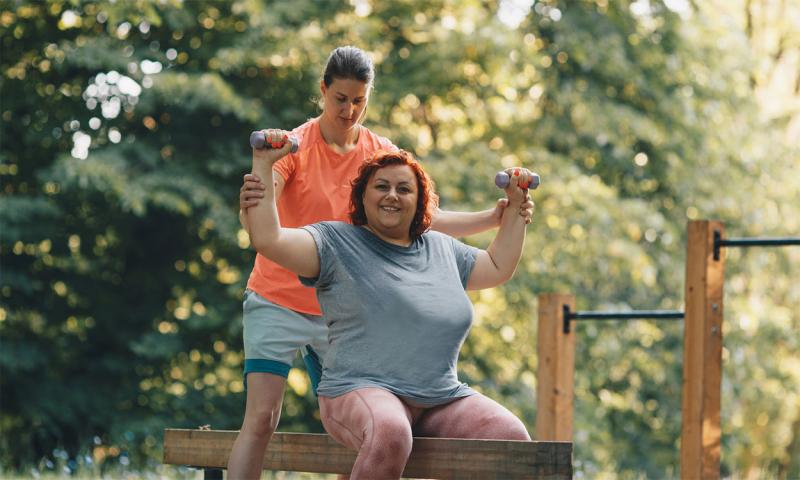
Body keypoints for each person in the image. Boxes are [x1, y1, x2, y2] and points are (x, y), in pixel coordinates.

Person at [229, 46, 532, 479]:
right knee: (262, 419)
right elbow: (263, 221)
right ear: (323, 91)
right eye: (340, 99)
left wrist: (494, 217)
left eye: (359, 100)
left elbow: (423, 217)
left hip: (347, 305)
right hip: (281, 294)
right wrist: (254, 190)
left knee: (367, 426)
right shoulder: (296, 145)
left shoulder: (378, 153)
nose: (350, 110)